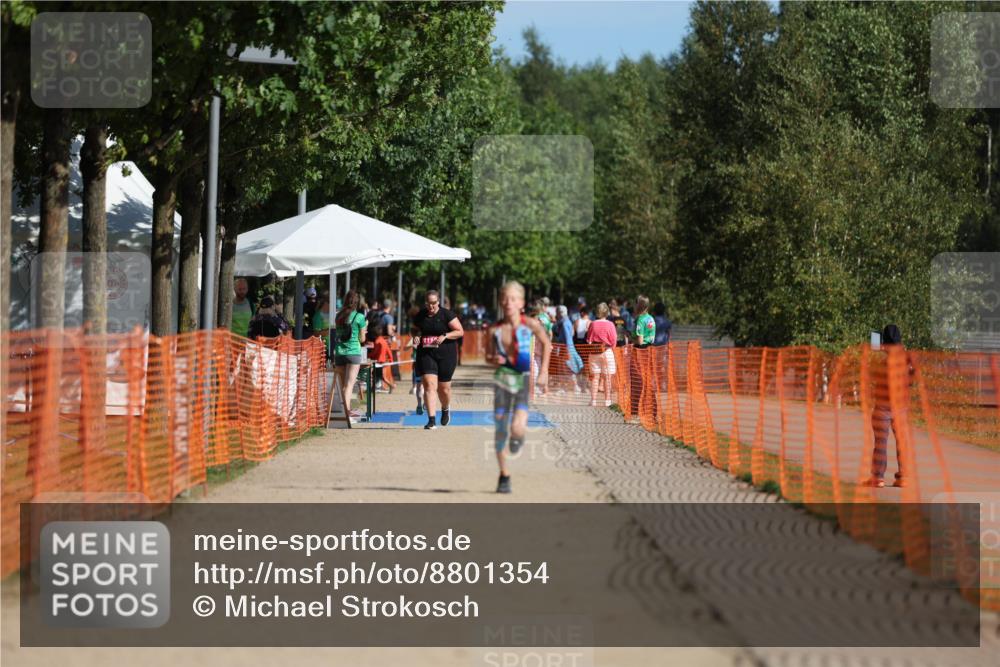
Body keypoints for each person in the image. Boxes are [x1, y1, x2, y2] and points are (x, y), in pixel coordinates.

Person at [487, 280, 551, 494]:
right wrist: (493, 359)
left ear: (521, 302)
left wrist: (543, 372)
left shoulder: (530, 325)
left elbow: (547, 344)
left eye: (513, 299)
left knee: (517, 427)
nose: (508, 303)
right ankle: (504, 475)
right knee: (499, 430)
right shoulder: (494, 329)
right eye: (504, 298)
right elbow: (488, 356)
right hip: (502, 380)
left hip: (522, 380)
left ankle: (518, 437)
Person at [411, 290, 464, 430]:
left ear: (438, 302)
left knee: (444, 389)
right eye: (428, 303)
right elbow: (414, 329)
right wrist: (416, 336)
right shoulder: (421, 315)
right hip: (426, 353)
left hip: (446, 354)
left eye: (434, 303)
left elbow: (460, 331)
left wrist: (445, 335)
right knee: (429, 385)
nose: (431, 306)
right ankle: (431, 420)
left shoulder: (447, 314)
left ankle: (445, 408)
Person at [868, 324, 909, 488]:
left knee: (881, 442)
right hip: (901, 407)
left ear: (883, 341)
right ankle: (903, 477)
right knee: (902, 442)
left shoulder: (882, 361)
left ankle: (878, 478)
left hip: (882, 407)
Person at [334, 290, 368, 421]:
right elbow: (362, 339)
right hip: (353, 352)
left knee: (342, 385)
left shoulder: (338, 316)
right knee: (349, 385)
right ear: (357, 303)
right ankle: (346, 414)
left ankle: (342, 411)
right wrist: (364, 329)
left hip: (340, 352)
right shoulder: (359, 317)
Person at [586, 302, 617, 407]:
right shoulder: (610, 324)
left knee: (595, 377)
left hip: (594, 352)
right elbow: (613, 341)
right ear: (607, 312)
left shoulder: (593, 324)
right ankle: (607, 401)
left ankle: (593, 400)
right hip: (607, 351)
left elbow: (588, 339)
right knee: (607, 377)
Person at [554, 305, 584, 394]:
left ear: (559, 313)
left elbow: (567, 337)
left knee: (566, 369)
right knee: (567, 369)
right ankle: (571, 387)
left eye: (557, 312)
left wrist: (567, 351)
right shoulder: (566, 322)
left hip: (566, 349)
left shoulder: (564, 323)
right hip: (566, 348)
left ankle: (572, 387)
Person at [406, 305, 426, 414]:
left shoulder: (413, 331)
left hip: (418, 361)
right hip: (427, 360)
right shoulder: (426, 328)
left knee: (419, 386)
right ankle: (426, 404)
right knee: (428, 386)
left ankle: (419, 405)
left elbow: (408, 345)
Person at [369, 322, 395, 393]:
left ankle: (391, 386)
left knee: (381, 376)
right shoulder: (383, 341)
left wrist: (369, 356)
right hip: (384, 361)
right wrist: (391, 359)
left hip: (379, 361)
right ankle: (373, 388)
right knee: (377, 376)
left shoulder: (377, 341)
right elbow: (388, 351)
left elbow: (375, 352)